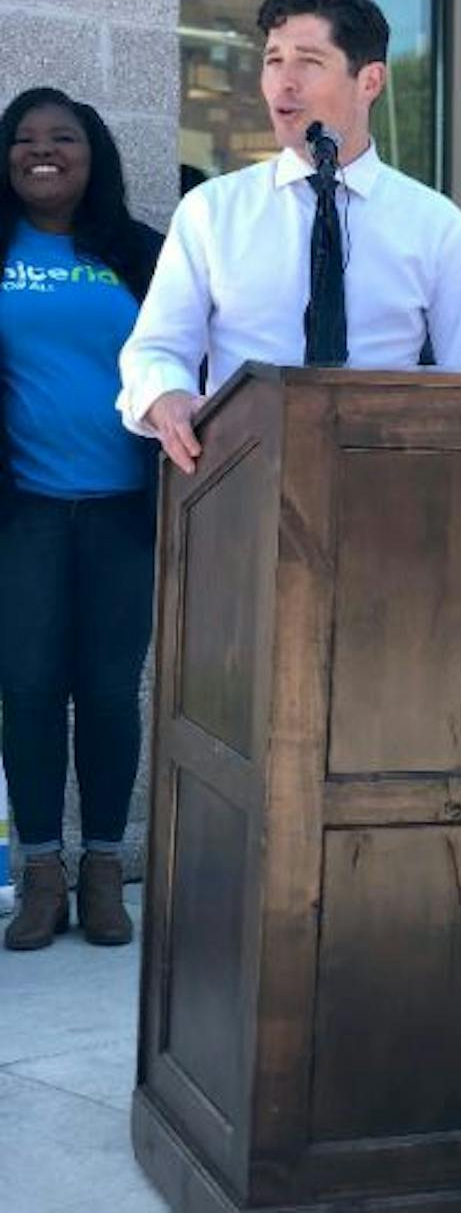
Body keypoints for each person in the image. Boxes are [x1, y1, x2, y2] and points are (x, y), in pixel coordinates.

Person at [118, 0, 461, 474]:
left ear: (369, 81)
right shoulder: (211, 210)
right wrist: (166, 398)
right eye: (273, 60)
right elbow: (157, 348)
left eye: (308, 61)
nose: (284, 81)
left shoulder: (435, 224)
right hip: (238, 484)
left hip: (387, 485)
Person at [0, 86, 165, 949]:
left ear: (92, 154)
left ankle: (104, 872)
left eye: (63, 137)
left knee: (106, 695)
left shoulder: (141, 253)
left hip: (122, 515)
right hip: (20, 514)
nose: (42, 151)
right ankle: (40, 876)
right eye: (24, 139)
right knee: (26, 693)